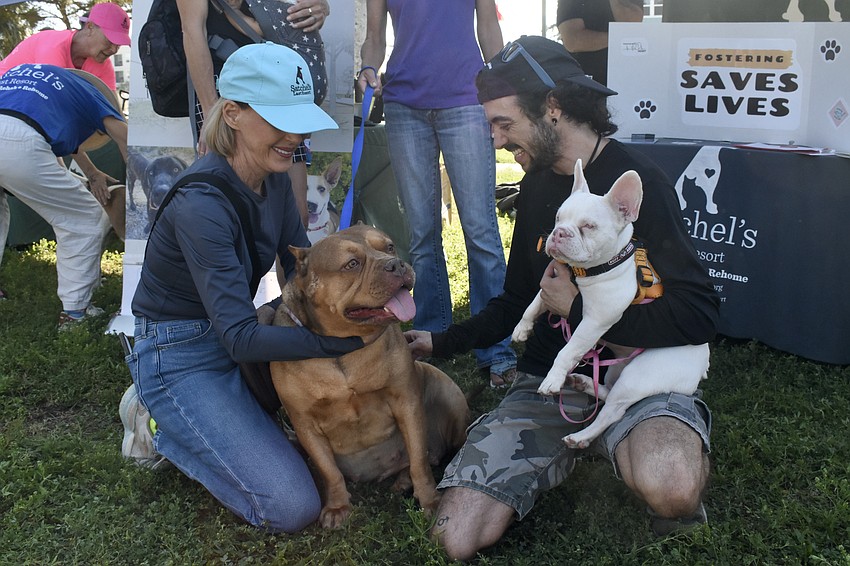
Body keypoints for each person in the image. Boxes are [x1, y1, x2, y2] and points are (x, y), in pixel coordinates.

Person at [404, 36, 720, 560]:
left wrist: (576, 310)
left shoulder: (638, 188)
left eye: (503, 123)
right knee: (453, 536)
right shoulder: (536, 188)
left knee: (673, 489)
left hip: (638, 375)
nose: (496, 138)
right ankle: (572, 441)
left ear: (552, 109)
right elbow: (514, 301)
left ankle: (637, 435)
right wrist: (439, 343)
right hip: (549, 383)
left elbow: (699, 315)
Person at [119, 43, 365, 533]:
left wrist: (361, 298)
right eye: (278, 118)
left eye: (300, 118)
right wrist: (349, 340)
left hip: (238, 331)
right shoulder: (201, 205)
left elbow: (302, 270)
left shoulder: (271, 177)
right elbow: (240, 338)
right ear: (231, 113)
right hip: (181, 354)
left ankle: (217, 416)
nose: (294, 134)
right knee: (292, 508)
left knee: (323, 459)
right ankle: (155, 421)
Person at [358, 0, 517, 388]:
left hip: (466, 99)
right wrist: (367, 68)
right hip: (403, 105)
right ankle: (430, 341)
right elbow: (375, 38)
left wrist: (499, 94)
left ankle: (495, 349)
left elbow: (488, 27)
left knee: (481, 232)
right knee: (421, 234)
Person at [177, 0, 329, 228]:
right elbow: (192, 31)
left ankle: (286, 263)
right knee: (233, 212)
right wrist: (211, 112)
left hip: (284, 90)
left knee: (297, 216)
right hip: (229, 93)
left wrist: (320, 8)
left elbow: (305, 7)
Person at [0, 63, 128, 327]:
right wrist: (142, 188)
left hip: (16, 132)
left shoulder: (29, 77)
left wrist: (92, 174)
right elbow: (124, 137)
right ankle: (75, 312)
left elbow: (51, 148)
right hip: (18, 143)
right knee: (85, 219)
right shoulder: (93, 95)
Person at [0, 3, 131, 92]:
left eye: (118, 44)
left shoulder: (103, 64)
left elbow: (113, 111)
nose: (114, 50)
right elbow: (57, 102)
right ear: (90, 27)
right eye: (110, 40)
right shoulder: (52, 45)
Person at [557, 0, 644, 87]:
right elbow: (573, 42)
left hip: (624, 78)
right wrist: (619, 39)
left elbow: (632, 24)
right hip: (587, 82)